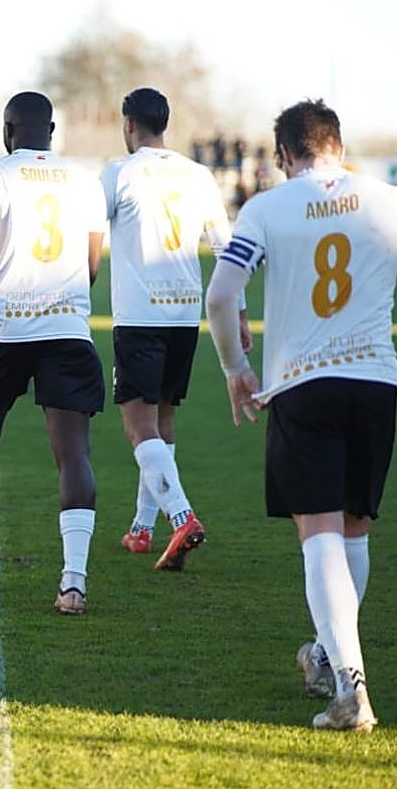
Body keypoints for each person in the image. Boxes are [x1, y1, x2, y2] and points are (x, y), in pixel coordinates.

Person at [205, 99, 397, 732]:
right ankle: (327, 658)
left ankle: (352, 691)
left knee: (319, 533)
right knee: (354, 531)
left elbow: (220, 295)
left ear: (284, 155)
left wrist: (234, 368)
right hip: (374, 383)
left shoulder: (266, 208)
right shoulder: (394, 201)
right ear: (339, 146)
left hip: (302, 384)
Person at [0, 91, 107, 615]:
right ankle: (73, 583)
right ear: (51, 131)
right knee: (73, 453)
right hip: (68, 330)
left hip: (4, 330)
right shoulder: (86, 180)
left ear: (7, 131)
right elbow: (91, 264)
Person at [100, 88, 251, 568]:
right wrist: (240, 312)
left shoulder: (119, 173)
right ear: (165, 123)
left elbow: (89, 232)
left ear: (129, 124)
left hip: (139, 317)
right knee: (162, 424)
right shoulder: (198, 175)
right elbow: (227, 248)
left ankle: (182, 517)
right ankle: (142, 529)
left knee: (138, 426)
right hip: (185, 316)